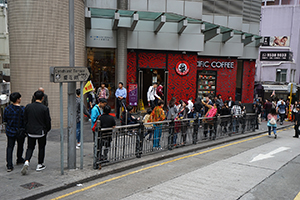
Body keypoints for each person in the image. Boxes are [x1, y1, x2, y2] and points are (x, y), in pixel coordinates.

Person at [21, 91, 51, 175]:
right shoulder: (44, 108)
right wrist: (46, 130)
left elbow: (25, 119)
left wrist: (26, 129)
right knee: (41, 147)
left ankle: (27, 161)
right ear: (42, 98)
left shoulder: (28, 107)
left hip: (30, 131)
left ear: (34, 97)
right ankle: (39, 164)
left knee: (30, 147)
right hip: (41, 131)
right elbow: (47, 121)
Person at [4, 92, 25, 172]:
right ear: (17, 99)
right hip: (20, 131)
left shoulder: (7, 109)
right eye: (19, 98)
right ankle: (19, 158)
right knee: (20, 145)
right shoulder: (22, 109)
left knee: (10, 147)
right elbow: (24, 120)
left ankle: (9, 165)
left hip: (10, 130)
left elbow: (5, 120)